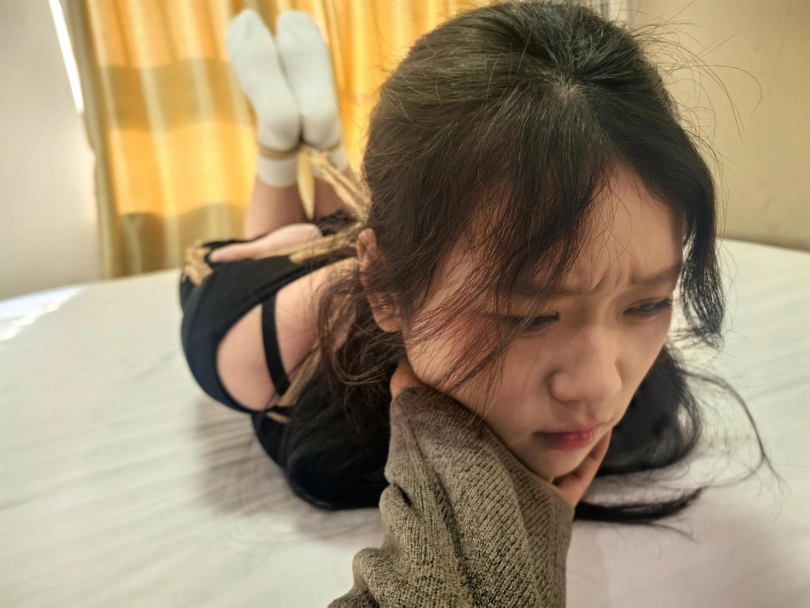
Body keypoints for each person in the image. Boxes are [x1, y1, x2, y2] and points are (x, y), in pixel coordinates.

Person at [179, 2, 774, 604]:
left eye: (645, 305)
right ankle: (280, 142)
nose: (600, 388)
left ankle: (328, 156)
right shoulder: (262, 358)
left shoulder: (640, 400)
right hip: (285, 295)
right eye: (531, 316)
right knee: (285, 242)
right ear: (384, 288)